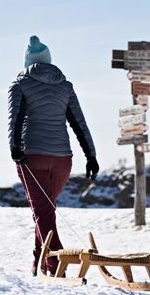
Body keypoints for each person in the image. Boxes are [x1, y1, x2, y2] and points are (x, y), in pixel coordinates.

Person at [8, 35, 98, 275]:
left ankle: (57, 264)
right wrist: (91, 154)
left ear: (28, 62)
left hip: (32, 156)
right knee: (45, 211)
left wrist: (14, 147)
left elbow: (14, 120)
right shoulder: (65, 86)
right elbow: (79, 122)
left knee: (43, 212)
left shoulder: (19, 84)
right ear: (49, 60)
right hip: (62, 159)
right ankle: (40, 262)